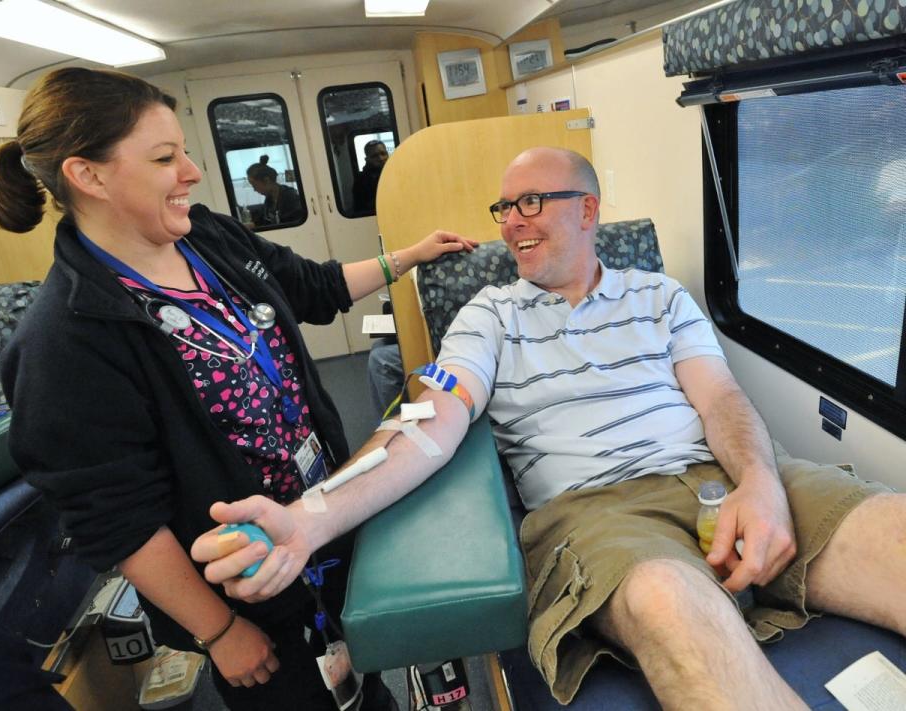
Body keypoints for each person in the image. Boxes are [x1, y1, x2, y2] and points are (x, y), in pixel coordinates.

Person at [193, 147, 906, 709]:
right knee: (669, 599)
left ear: (588, 208)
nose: (510, 221)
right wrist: (310, 518)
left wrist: (760, 481)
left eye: (531, 201)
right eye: (504, 206)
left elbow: (720, 399)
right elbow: (429, 420)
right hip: (600, 513)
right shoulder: (488, 316)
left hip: (722, 475)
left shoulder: (661, 296)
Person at [0, 66, 476, 711]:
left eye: (185, 150)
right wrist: (220, 632)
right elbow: (119, 522)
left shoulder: (207, 237)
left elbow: (312, 287)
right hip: (248, 592)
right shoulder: (64, 343)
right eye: (165, 157)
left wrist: (407, 256)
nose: (192, 171)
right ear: (88, 176)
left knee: (365, 687)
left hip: (325, 522)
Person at [244, 155, 305, 227]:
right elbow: (264, 220)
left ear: (267, 180)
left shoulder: (291, 197)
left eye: (254, 185)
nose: (254, 190)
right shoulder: (269, 198)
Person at [352, 140, 389, 214]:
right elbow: (361, 208)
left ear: (388, 154)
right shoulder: (360, 181)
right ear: (367, 159)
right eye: (374, 156)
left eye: (383, 153)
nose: (380, 158)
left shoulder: (397, 172)